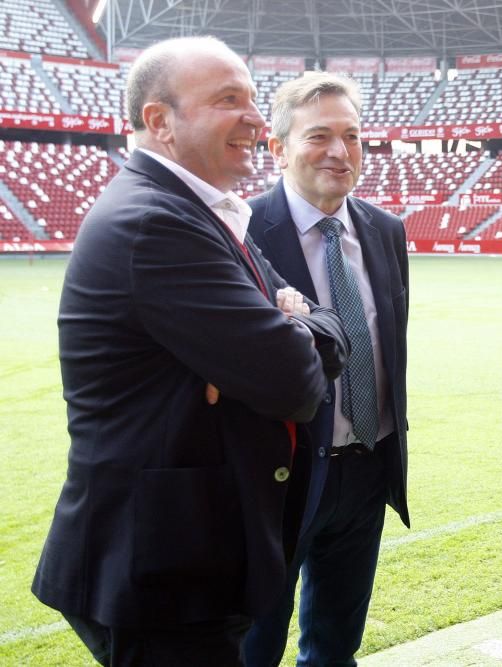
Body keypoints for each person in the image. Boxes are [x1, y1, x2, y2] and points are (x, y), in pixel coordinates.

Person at [31, 36, 350, 666]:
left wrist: (291, 323)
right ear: (160, 121)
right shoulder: (156, 220)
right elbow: (294, 379)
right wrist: (292, 325)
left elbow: (326, 336)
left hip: (184, 556)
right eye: (228, 100)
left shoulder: (199, 211)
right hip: (158, 571)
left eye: (253, 100)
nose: (256, 119)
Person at [242, 71, 409, 667]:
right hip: (276, 482)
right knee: (253, 646)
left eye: (352, 136)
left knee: (336, 647)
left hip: (365, 471)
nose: (339, 152)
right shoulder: (240, 231)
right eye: (318, 136)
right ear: (278, 147)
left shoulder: (386, 232)